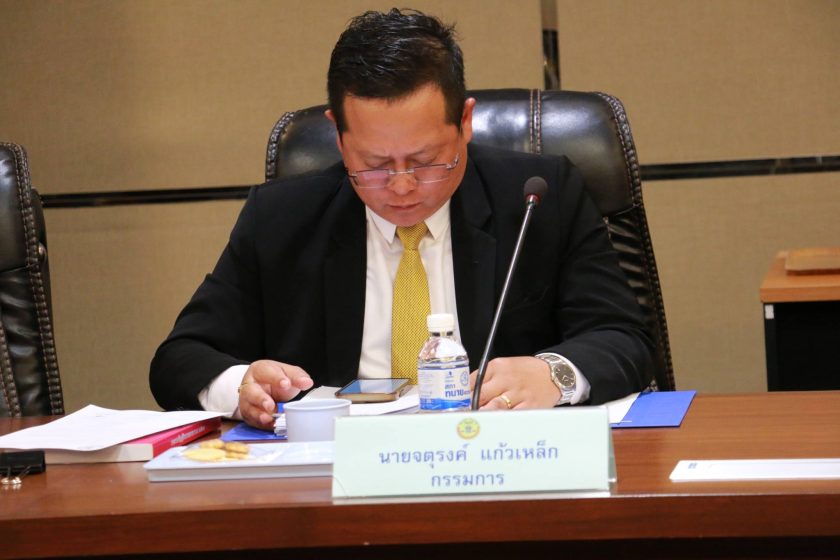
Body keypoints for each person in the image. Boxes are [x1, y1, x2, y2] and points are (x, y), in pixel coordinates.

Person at [150, 8, 655, 429]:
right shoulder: (282, 218)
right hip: (336, 480)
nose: (402, 185)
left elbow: (625, 339)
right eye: (373, 164)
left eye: (426, 160)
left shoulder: (537, 198)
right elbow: (180, 357)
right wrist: (240, 386)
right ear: (338, 135)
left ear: (465, 121)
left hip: (497, 460)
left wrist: (553, 375)